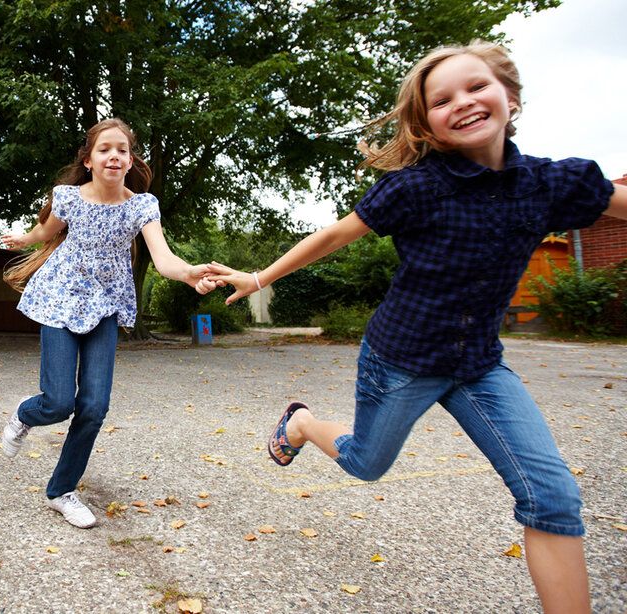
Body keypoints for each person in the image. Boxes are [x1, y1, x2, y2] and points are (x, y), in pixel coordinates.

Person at [207, 41, 627, 613]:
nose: (463, 102)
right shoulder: (416, 187)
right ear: (427, 123)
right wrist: (258, 277)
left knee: (553, 498)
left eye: (476, 86)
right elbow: (334, 235)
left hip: (479, 366)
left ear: (510, 96)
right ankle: (302, 423)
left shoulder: (549, 183)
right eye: (442, 99)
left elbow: (616, 201)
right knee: (366, 463)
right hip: (401, 361)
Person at [0, 118, 217, 528]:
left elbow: (164, 258)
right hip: (60, 299)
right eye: (104, 149)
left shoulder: (142, 206)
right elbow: (46, 230)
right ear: (89, 160)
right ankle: (26, 414)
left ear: (130, 161)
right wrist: (22, 239)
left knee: (94, 407)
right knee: (58, 403)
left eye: (122, 150)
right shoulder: (68, 197)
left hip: (105, 305)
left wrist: (189, 274)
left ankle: (61, 491)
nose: (114, 155)